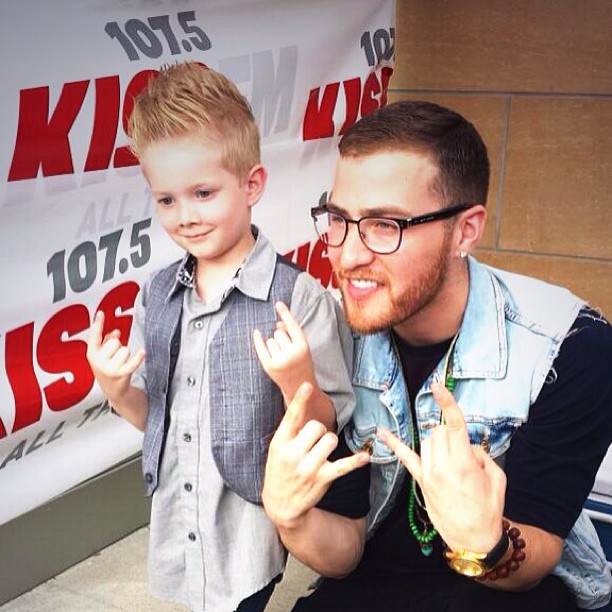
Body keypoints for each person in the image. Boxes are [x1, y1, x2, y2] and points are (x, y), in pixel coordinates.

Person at [259, 99, 612, 611]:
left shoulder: (569, 346)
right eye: (339, 219)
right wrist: (292, 518)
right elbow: (344, 555)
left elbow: (536, 560)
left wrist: (485, 542)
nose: (347, 255)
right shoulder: (325, 335)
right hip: (374, 584)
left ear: (465, 230)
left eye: (384, 225)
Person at [85, 60, 364, 612]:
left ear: (251, 183)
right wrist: (118, 391)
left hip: (245, 523)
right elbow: (158, 419)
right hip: (179, 512)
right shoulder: (158, 294)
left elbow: (328, 428)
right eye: (167, 200)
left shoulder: (297, 296)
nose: (185, 216)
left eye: (203, 193)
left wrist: (297, 380)